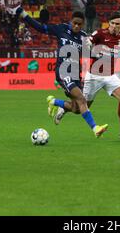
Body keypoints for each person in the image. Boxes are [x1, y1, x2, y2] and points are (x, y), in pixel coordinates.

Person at [16, 8, 108, 138]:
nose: (76, 26)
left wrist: (101, 57)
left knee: (77, 109)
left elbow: (90, 53)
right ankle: (95, 128)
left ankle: (55, 102)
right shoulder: (61, 29)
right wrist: (24, 15)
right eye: (74, 23)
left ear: (82, 24)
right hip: (63, 72)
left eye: (79, 24)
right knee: (82, 99)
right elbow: (41, 28)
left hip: (76, 74)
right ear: (71, 21)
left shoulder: (83, 37)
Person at [82, 11, 120, 139]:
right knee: (81, 107)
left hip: (110, 76)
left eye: (117, 24)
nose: (114, 26)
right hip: (94, 76)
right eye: (112, 23)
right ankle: (62, 106)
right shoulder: (100, 33)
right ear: (108, 23)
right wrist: (88, 44)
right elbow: (88, 41)